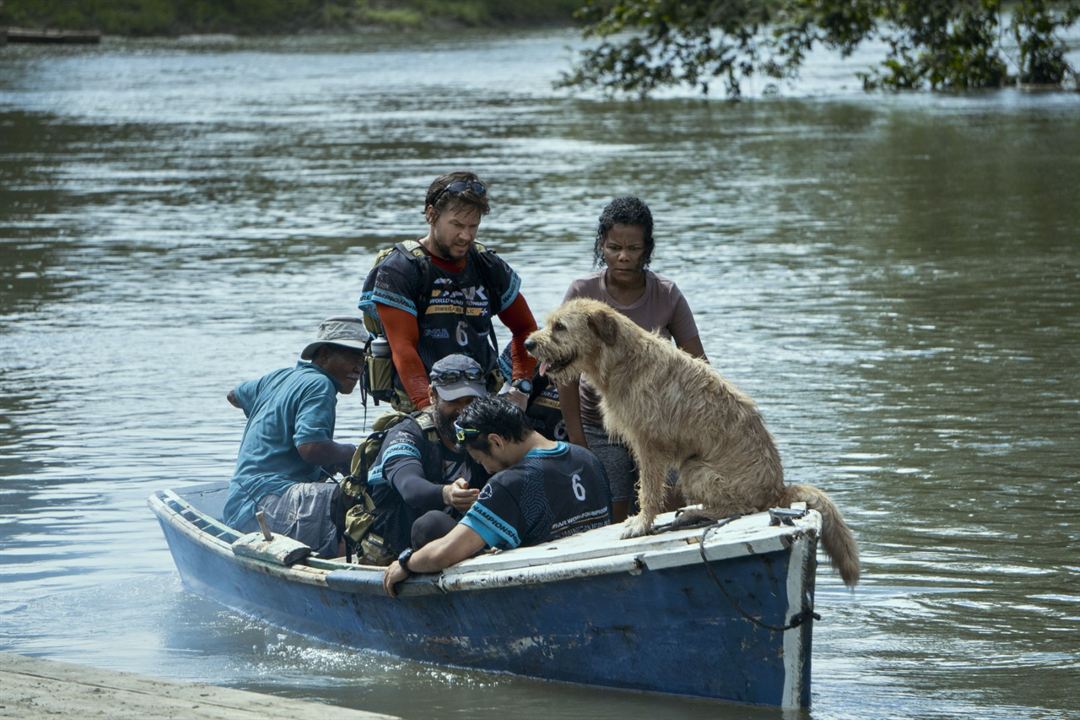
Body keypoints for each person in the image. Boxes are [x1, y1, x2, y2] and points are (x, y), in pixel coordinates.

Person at [558, 196, 707, 522]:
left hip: (659, 422)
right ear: (602, 245)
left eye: (634, 249)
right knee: (613, 508)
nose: (623, 257)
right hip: (601, 424)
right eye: (614, 248)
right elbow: (565, 372)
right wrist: (578, 441)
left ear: (647, 249)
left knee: (672, 503)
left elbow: (699, 367)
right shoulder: (583, 292)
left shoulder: (666, 294)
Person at [382, 396, 610, 597]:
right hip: (595, 573)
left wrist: (406, 563)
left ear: (496, 441)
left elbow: (443, 554)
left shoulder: (510, 483)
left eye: (481, 460)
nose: (488, 470)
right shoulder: (587, 458)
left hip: (543, 591)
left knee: (429, 525)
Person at [358, 170, 538, 412]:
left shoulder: (487, 265)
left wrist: (520, 387)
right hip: (427, 397)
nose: (466, 235)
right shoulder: (401, 269)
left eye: (473, 226)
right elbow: (404, 348)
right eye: (457, 225)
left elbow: (526, 329)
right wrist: (427, 409)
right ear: (432, 215)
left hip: (481, 394)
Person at [222, 317, 367, 558]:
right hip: (267, 504)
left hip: (240, 500)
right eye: (352, 356)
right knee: (355, 497)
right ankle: (350, 565)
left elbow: (234, 396)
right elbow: (310, 448)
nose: (358, 367)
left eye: (363, 359)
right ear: (323, 354)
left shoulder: (279, 377)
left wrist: (274, 421)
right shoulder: (320, 384)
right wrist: (353, 453)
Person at [363, 354, 492, 564]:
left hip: (455, 541)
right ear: (432, 396)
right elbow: (409, 486)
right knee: (431, 523)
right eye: (453, 401)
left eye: (470, 401)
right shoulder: (407, 433)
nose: (463, 411)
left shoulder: (485, 432)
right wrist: (447, 493)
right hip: (399, 548)